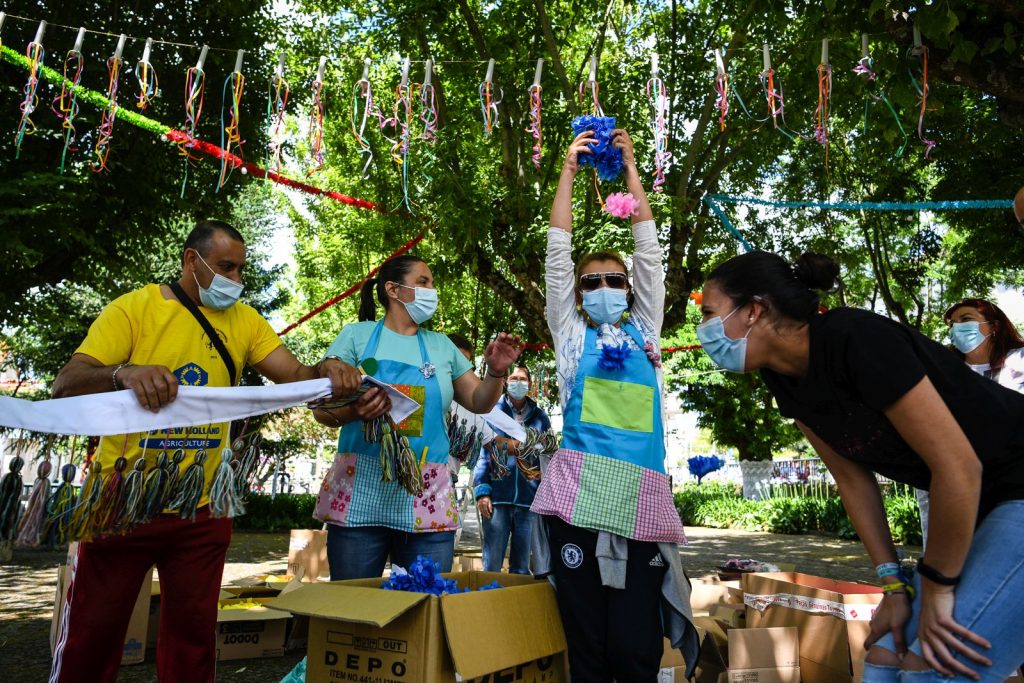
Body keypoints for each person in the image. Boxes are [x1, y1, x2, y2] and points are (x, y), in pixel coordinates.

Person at [48, 220, 362, 683]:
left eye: (240, 270)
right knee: (92, 636)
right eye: (224, 267)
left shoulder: (245, 321)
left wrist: (327, 371)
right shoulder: (133, 309)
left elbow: (295, 376)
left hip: (202, 510)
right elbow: (65, 385)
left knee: (193, 642)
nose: (234, 279)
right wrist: (124, 374)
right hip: (121, 503)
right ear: (191, 261)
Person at [696, 250, 1024, 682]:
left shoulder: (857, 339)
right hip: (983, 502)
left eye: (710, 312)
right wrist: (893, 585)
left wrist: (939, 589)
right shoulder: (783, 377)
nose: (703, 329)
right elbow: (852, 480)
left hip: (1014, 484)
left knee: (933, 663)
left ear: (754, 310)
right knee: (885, 656)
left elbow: (958, 468)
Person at [531, 128, 697, 681]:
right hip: (579, 499)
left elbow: (650, 252)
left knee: (635, 646)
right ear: (579, 295)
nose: (606, 286)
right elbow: (557, 257)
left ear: (629, 289)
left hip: (644, 498)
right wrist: (568, 171)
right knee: (588, 646)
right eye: (593, 281)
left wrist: (630, 169)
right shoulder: (572, 336)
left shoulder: (647, 329)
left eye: (616, 280)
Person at [312, 255, 522, 580]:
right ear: (393, 290)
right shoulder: (356, 336)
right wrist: (355, 410)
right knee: (351, 602)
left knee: (426, 605)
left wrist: (496, 371)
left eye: (432, 283)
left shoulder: (441, 346)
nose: (431, 290)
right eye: (423, 282)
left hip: (427, 494)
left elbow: (480, 401)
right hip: (361, 489)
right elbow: (323, 411)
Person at [473, 363, 551, 574]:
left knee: (521, 568)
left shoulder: (540, 418)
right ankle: (487, 602)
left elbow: (547, 457)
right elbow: (483, 455)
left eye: (522, 380)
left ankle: (516, 606)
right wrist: (482, 493)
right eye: (514, 379)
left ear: (530, 384)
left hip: (529, 502)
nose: (518, 383)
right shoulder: (491, 412)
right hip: (497, 500)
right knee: (492, 565)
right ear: (506, 382)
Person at [445, 333, 496, 508]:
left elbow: (494, 442)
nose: (460, 370)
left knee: (440, 535)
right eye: (456, 361)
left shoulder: (471, 405)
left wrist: (529, 446)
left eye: (466, 365)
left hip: (446, 485)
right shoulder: (422, 389)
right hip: (407, 477)